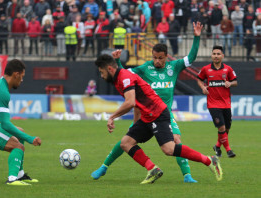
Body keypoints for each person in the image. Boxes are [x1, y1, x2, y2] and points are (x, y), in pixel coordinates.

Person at [92, 22, 222, 182]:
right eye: (154, 58)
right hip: (145, 114)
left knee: (172, 145)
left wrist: (196, 37)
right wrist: (117, 63)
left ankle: (191, 172)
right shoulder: (146, 68)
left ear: (166, 57)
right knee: (126, 141)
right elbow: (122, 74)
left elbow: (191, 58)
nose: (157, 61)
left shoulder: (173, 67)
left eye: (160, 58)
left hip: (161, 113)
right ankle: (111, 167)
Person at [197, 45, 237, 158]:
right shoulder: (206, 69)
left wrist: (230, 83)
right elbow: (199, 79)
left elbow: (235, 82)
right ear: (211, 55)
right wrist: (203, 87)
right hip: (213, 104)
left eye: (218, 54)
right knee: (222, 127)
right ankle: (229, 150)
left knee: (227, 129)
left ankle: (217, 146)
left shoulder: (228, 69)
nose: (216, 56)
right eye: (214, 54)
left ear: (222, 56)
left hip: (226, 103)